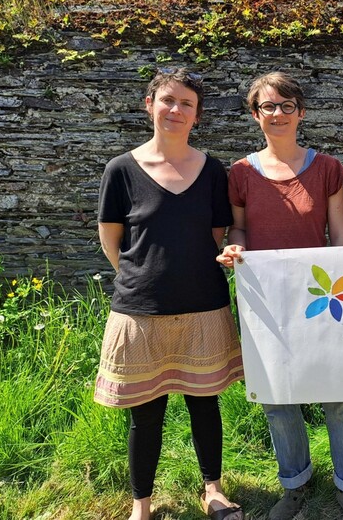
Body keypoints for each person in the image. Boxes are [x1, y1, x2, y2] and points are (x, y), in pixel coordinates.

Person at [216, 72, 343, 520]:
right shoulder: (241, 173)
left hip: (322, 296)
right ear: (255, 115)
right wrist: (235, 248)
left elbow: (340, 236)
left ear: (301, 112)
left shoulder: (326, 168)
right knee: (277, 396)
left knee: (339, 393)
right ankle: (295, 485)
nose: (278, 114)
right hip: (265, 300)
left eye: (287, 106)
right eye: (268, 106)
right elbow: (239, 229)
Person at [95, 67, 244, 520]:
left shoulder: (212, 170)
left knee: (205, 404)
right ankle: (141, 504)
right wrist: (145, 279)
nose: (176, 110)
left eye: (187, 104)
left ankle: (213, 490)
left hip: (204, 306)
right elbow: (111, 240)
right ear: (150, 105)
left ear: (197, 115)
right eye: (168, 100)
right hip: (141, 312)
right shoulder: (120, 170)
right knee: (145, 414)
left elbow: (215, 235)